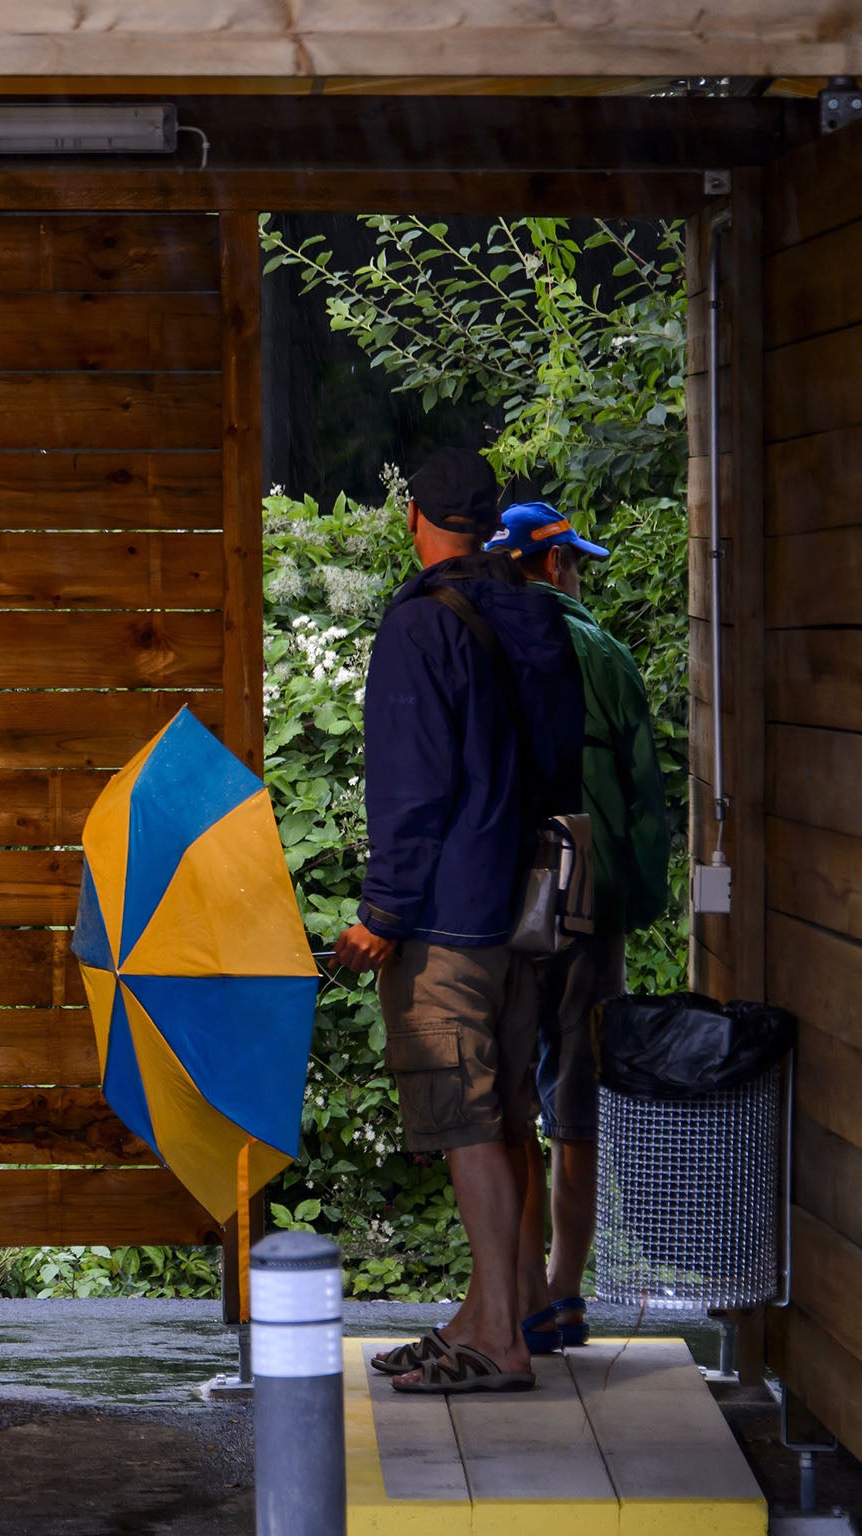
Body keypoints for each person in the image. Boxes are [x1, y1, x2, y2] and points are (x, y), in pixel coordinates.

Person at [333, 448, 584, 1395]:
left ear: (414, 516)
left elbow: (411, 788)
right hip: (529, 913)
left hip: (446, 920)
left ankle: (499, 1345)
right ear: (491, 521)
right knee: (510, 1110)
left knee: (466, 1118)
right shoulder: (539, 611)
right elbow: (562, 769)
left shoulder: (419, 627)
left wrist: (383, 915)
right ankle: (490, 1313)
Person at [485, 502, 671, 1354]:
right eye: (574, 561)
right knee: (578, 1097)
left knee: (510, 1089)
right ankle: (564, 1293)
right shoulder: (604, 652)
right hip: (594, 896)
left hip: (509, 893)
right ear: (555, 566)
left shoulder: (481, 639)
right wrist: (633, 907)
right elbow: (641, 797)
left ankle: (515, 1290)